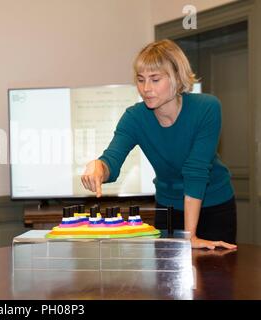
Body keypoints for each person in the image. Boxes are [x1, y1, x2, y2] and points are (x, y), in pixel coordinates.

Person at [81, 39, 237, 250]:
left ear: (177, 77)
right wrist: (99, 166)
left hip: (214, 205)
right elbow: (112, 160)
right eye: (140, 79)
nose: (146, 89)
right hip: (168, 207)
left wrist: (190, 236)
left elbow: (196, 172)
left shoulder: (207, 108)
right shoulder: (134, 117)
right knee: (167, 278)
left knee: (215, 278)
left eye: (155, 79)